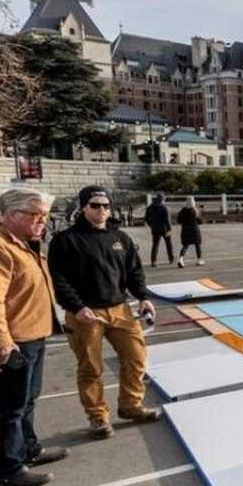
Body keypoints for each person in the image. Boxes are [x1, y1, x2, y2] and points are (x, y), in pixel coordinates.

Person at [0, 188, 68, 486]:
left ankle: (29, 449)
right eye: (35, 215)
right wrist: (1, 345)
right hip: (12, 342)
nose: (42, 221)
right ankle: (9, 467)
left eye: (45, 215)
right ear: (11, 215)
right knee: (9, 407)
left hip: (32, 335)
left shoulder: (25, 245)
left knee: (27, 399)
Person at [48, 186, 161, 439]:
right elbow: (60, 280)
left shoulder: (120, 237)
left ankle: (131, 405)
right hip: (85, 314)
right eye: (95, 205)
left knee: (136, 358)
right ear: (83, 207)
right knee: (90, 367)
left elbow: (134, 272)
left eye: (106, 206)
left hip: (119, 308)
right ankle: (98, 418)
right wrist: (77, 308)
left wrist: (143, 297)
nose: (101, 210)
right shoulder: (66, 240)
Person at [145, 193, 175, 267]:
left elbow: (146, 218)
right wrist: (169, 229)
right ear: (162, 199)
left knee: (155, 245)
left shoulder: (150, 207)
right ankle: (171, 259)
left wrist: (150, 224)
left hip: (155, 229)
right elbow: (167, 220)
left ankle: (153, 261)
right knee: (168, 245)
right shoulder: (164, 207)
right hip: (165, 229)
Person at [176, 197, 204, 267]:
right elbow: (200, 221)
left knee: (185, 245)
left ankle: (181, 259)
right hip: (194, 230)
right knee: (197, 245)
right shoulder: (195, 210)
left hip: (185, 230)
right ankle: (199, 260)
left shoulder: (182, 211)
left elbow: (179, 221)